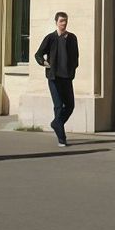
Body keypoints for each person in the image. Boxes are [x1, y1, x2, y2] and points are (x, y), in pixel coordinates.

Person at [34, 12, 78, 147]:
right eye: (61, 21)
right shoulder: (51, 38)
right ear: (56, 22)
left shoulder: (72, 38)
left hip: (67, 78)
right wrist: (45, 63)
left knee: (70, 105)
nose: (63, 24)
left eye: (65, 21)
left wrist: (72, 69)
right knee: (59, 106)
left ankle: (56, 123)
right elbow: (38, 54)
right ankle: (61, 138)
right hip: (54, 78)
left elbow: (76, 57)